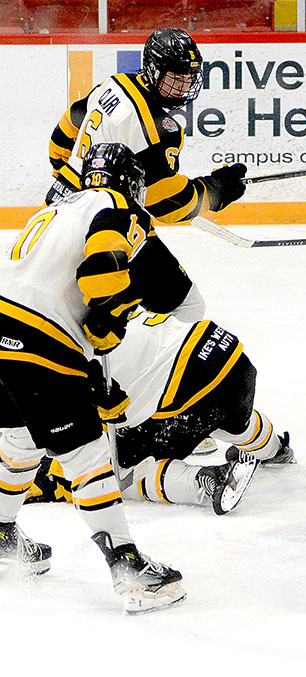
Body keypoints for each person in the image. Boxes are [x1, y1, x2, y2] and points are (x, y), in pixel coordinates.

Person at [0, 142, 186, 613]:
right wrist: (112, 317)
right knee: (86, 453)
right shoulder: (117, 206)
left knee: (21, 436)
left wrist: (92, 376)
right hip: (41, 341)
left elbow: (50, 292)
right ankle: (129, 568)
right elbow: (101, 276)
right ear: (129, 181)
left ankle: (0, 538)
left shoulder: (59, 209)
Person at [23, 307, 294, 516]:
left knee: (107, 475)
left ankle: (203, 481)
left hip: (190, 387)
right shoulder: (87, 312)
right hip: (229, 357)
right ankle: (275, 449)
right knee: (225, 419)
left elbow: (78, 438)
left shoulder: (53, 364)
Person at [46, 27, 246, 224]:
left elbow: (66, 128)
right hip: (96, 219)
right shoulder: (159, 130)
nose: (183, 87)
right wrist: (213, 191)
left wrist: (62, 173)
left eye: (188, 78)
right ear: (152, 69)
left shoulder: (114, 83)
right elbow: (166, 206)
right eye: (176, 78)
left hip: (57, 200)